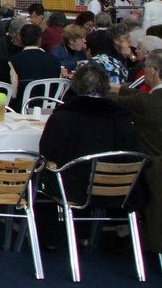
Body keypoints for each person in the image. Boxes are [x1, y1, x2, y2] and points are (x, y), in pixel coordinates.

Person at [38, 60, 141, 248]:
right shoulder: (122, 118)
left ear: (76, 86)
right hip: (118, 187)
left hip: (73, 186)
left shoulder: (64, 117)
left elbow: (48, 152)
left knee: (42, 173)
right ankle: (87, 233)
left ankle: (48, 238)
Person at [109, 49, 162, 254]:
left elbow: (118, 102)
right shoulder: (149, 99)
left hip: (149, 172)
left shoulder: (146, 102)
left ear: (152, 71)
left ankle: (118, 229)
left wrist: (110, 88)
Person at [8, 24, 64, 108]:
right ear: (40, 39)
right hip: (49, 110)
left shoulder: (14, 60)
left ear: (20, 38)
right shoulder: (54, 61)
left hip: (23, 109)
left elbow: (13, 93)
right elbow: (60, 92)